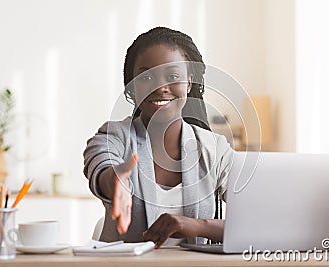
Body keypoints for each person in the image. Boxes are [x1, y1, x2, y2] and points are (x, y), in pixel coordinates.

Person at [83, 27, 233, 248]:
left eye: (172, 76)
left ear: (189, 82)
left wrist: (196, 225)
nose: (161, 87)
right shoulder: (114, 136)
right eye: (147, 77)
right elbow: (100, 163)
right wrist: (117, 181)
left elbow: (253, 223)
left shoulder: (215, 148)